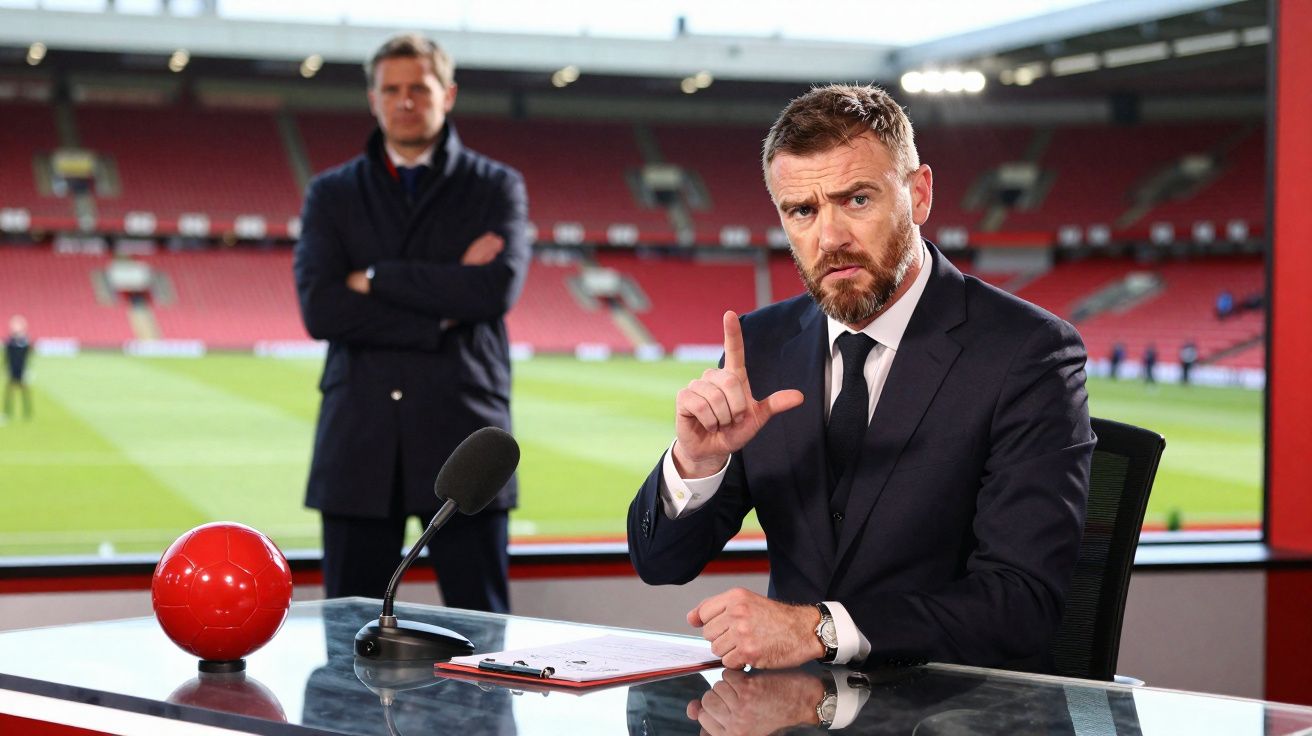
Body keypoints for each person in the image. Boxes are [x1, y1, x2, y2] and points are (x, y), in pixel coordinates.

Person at [628, 84, 1093, 676]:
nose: (829, 238)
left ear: (919, 194)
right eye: (803, 211)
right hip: (794, 711)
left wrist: (819, 629)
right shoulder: (760, 347)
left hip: (954, 709)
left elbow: (1022, 602)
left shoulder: (1027, 353)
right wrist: (694, 464)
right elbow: (660, 562)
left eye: (856, 200)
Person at [293, 33, 530, 613]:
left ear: (446, 95)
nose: (405, 101)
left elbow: (493, 290)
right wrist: (442, 305)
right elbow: (320, 309)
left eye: (418, 88)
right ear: (372, 99)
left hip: (464, 435)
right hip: (359, 438)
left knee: (485, 639)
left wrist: (371, 278)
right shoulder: (330, 193)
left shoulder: (496, 186)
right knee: (346, 634)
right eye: (391, 89)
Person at [4, 315, 32, 420]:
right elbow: (7, 356)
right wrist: (5, 368)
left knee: (24, 391)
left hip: (22, 370)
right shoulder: (10, 341)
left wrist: (28, 370)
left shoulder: (25, 341)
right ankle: (7, 412)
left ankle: (27, 412)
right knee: (9, 391)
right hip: (12, 369)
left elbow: (27, 356)